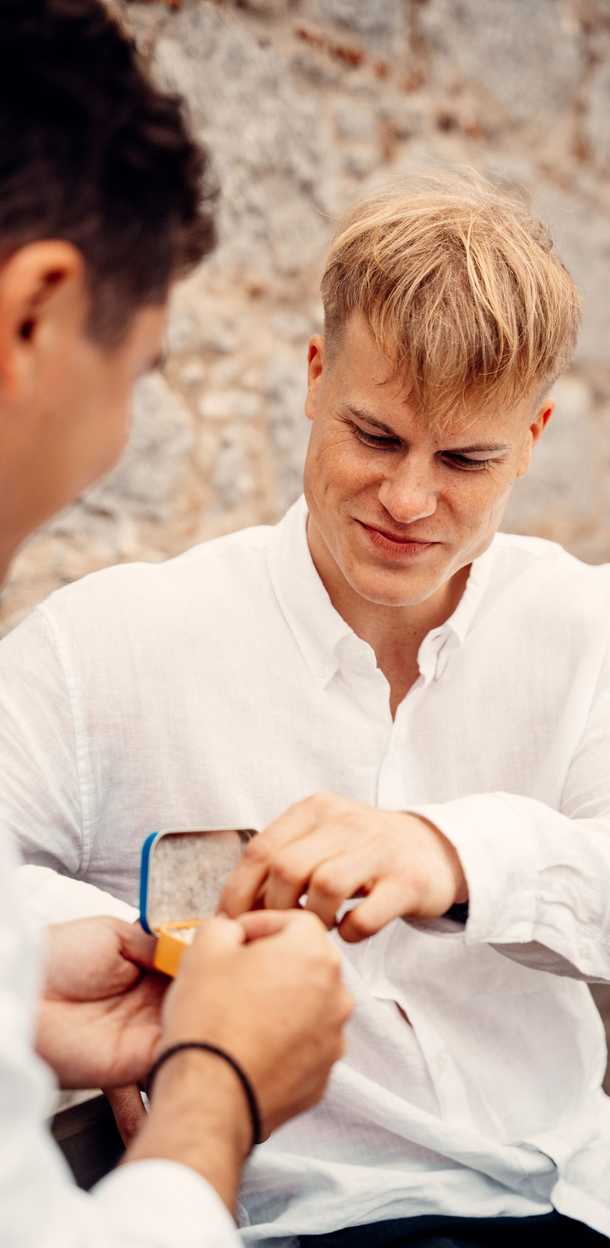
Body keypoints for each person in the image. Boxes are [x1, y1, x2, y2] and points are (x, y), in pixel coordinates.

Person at [1, 156, 610, 1248]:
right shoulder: (108, 641)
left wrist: (451, 856)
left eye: (466, 459)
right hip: (311, 1223)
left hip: (583, 1186)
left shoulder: (594, 623)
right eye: (375, 435)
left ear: (530, 441)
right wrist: (113, 940)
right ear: (312, 378)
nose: (407, 499)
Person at [0, 3, 351, 1245]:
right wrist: (223, 1092)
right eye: (143, 373)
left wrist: (25, 984)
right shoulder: (101, 638)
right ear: (34, 317)